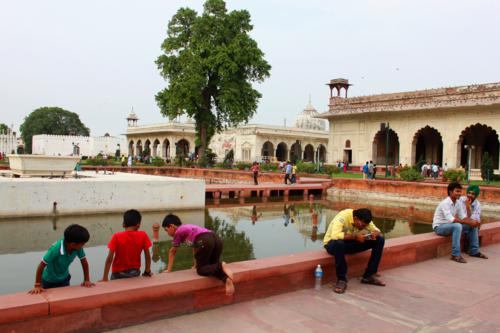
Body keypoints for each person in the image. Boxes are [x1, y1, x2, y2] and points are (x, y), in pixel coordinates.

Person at [162, 214, 235, 296]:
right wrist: (195, 264)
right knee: (211, 268)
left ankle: (221, 265)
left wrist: (168, 269)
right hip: (216, 239)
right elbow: (195, 248)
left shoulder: (178, 232)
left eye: (166, 230)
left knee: (201, 270)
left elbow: (172, 252)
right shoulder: (188, 228)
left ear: (171, 226)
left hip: (205, 240)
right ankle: (226, 280)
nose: (167, 233)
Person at [323, 208, 385, 294]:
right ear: (355, 218)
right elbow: (335, 235)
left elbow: (377, 230)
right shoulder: (342, 216)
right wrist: (355, 236)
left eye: (365, 226)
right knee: (339, 243)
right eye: (362, 225)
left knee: (380, 239)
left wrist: (374, 233)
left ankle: (369, 276)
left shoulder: (364, 218)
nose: (363, 227)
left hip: (349, 244)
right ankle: (341, 280)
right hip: (332, 244)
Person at [29, 224, 94, 294]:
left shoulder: (78, 248)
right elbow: (41, 265)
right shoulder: (55, 249)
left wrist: (86, 280)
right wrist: (37, 285)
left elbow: (84, 261)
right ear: (73, 244)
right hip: (48, 280)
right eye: (82, 244)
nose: (83, 246)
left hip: (64, 279)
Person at [433, 182, 488, 263]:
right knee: (458, 225)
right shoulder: (445, 203)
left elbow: (463, 217)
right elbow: (451, 219)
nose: (459, 193)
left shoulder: (457, 202)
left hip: (450, 226)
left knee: (473, 225)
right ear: (451, 192)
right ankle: (455, 255)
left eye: (460, 191)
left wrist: (474, 222)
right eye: (457, 191)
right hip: (440, 227)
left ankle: (474, 251)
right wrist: (469, 222)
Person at [101, 209, 152, 281]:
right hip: (134, 273)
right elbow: (147, 256)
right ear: (138, 225)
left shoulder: (116, 236)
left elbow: (109, 259)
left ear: (123, 224)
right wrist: (147, 271)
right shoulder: (143, 235)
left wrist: (105, 278)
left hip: (117, 274)